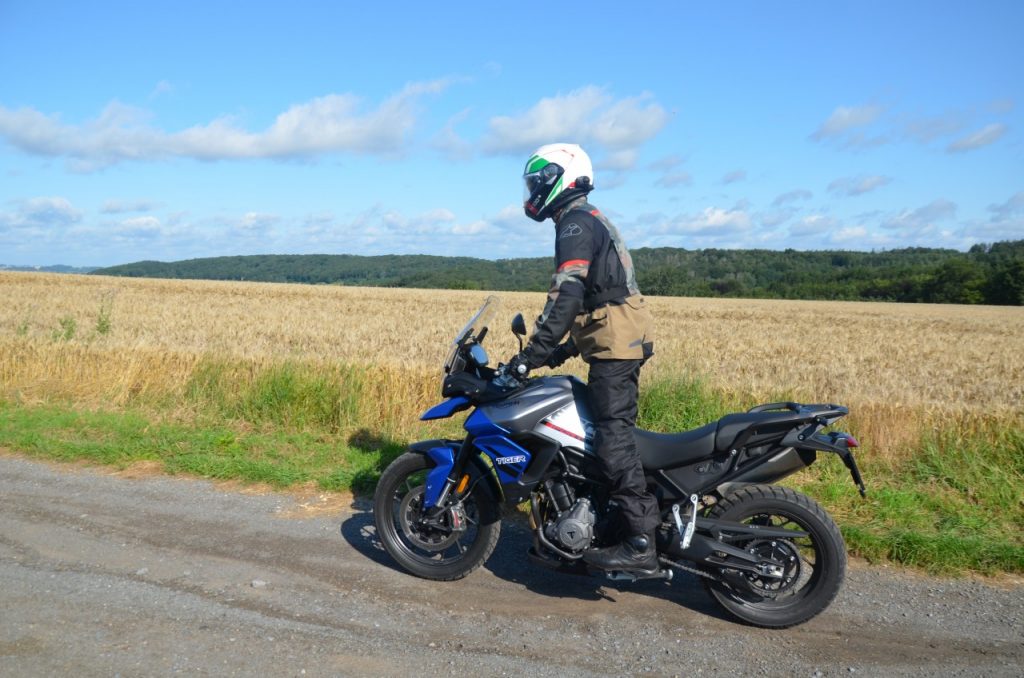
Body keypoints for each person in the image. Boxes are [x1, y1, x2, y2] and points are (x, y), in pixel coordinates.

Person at [506, 142, 659, 574]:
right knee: (597, 430)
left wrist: (531, 356)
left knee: (612, 436)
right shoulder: (584, 219)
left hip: (616, 342)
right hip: (615, 336)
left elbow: (569, 295)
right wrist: (558, 351)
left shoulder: (573, 223)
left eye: (538, 182)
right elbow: (600, 301)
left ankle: (640, 539)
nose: (533, 190)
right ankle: (603, 515)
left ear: (561, 179)